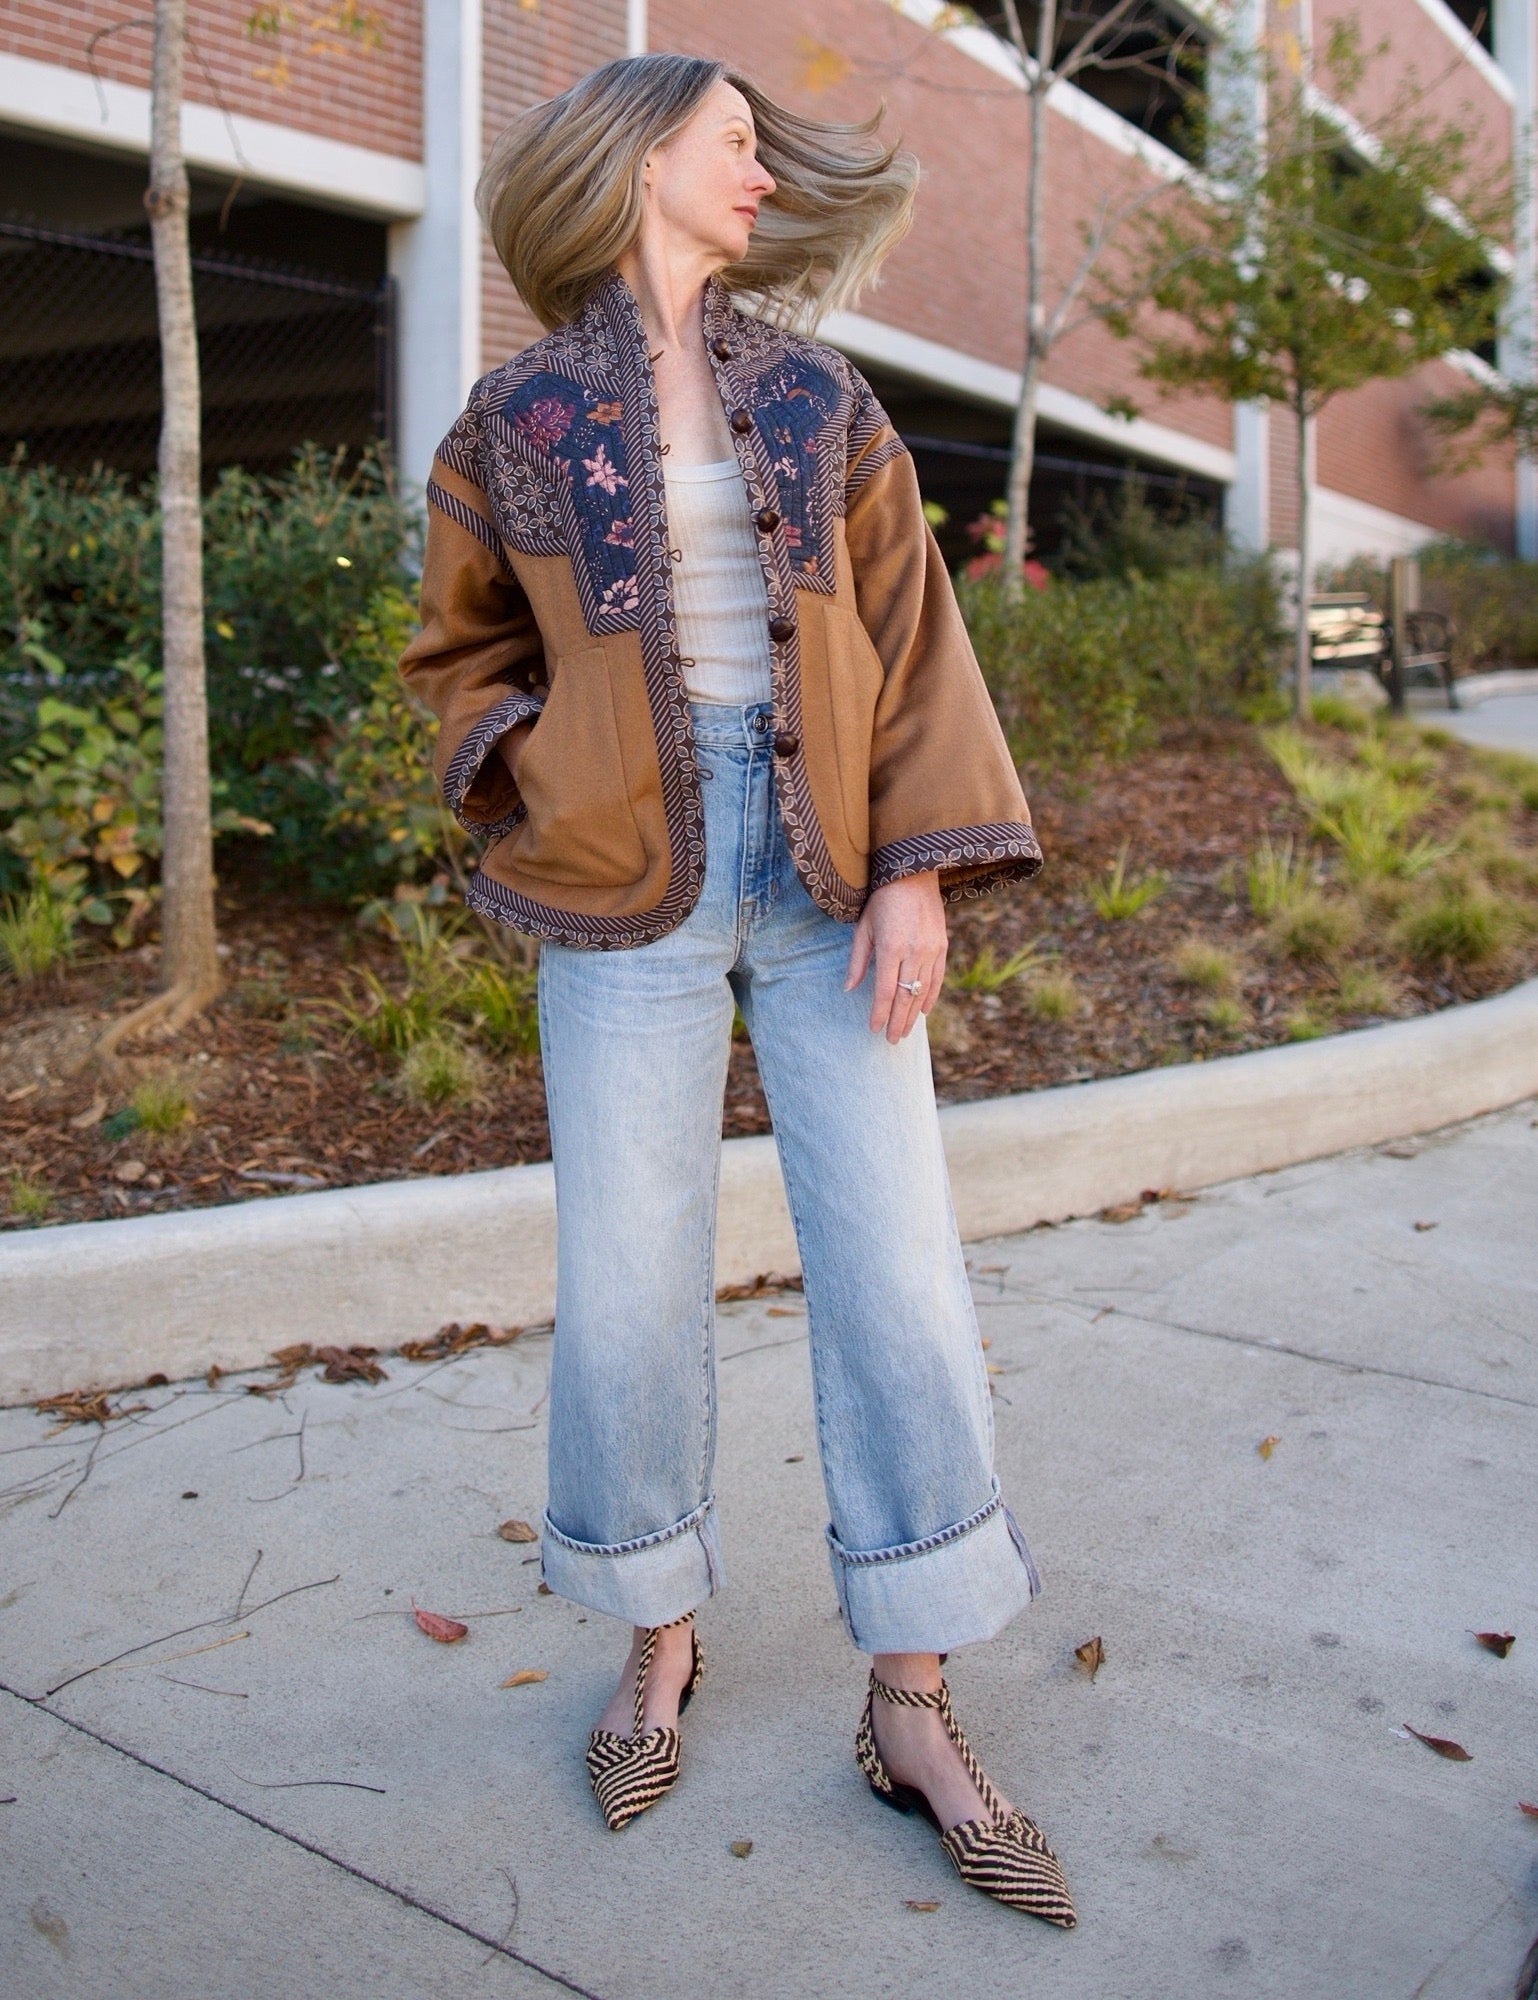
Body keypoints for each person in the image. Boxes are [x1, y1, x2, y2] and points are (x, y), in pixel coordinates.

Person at [398, 52, 1074, 1928]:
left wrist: (926, 864)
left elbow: (918, 640)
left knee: (905, 1290)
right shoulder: (513, 416)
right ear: (638, 163)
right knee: (624, 1300)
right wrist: (535, 763)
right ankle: (655, 1645)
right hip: (624, 894)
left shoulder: (820, 395)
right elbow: (460, 647)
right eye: (731, 149)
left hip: (830, 878)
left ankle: (915, 1704)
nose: (760, 177)